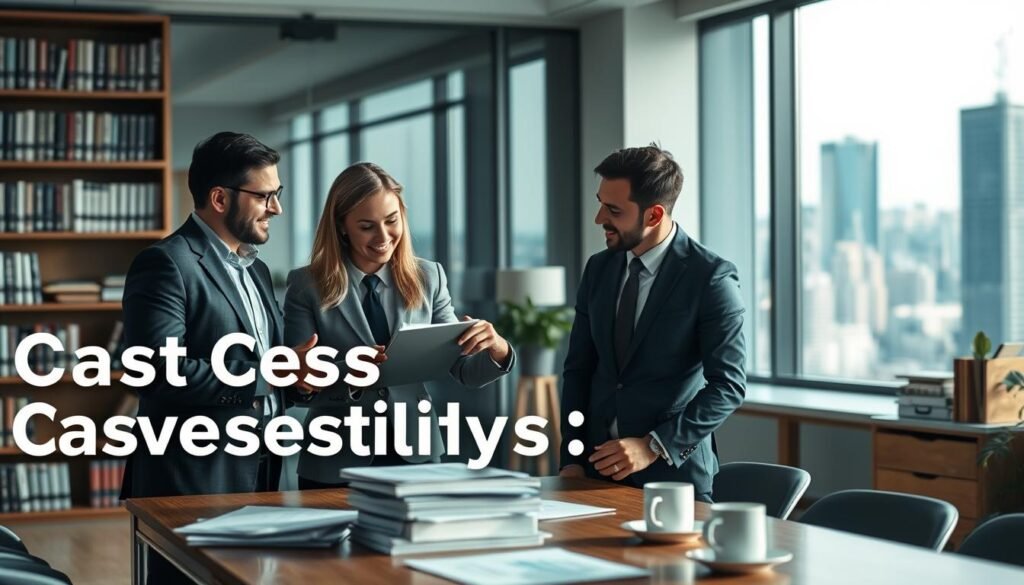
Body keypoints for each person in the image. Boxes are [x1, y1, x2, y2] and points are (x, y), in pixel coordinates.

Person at [120, 132, 315, 585]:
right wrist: (267, 374)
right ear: (220, 198)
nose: (277, 208)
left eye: (277, 194)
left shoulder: (258, 270)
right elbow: (157, 369)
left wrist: (299, 378)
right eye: (265, 195)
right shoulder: (166, 263)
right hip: (192, 478)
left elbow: (265, 371)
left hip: (261, 470)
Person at [284, 162, 515, 488]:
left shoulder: (428, 277)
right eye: (367, 226)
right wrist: (345, 370)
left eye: (391, 221)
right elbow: (298, 381)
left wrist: (498, 349)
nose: (383, 237)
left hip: (415, 452)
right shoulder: (306, 284)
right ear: (341, 226)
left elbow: (464, 370)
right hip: (335, 455)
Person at [559, 144, 746, 502]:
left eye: (613, 210)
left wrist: (654, 445)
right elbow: (578, 371)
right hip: (594, 474)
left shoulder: (711, 278)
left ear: (654, 214)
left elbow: (728, 385)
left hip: (674, 483)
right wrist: (572, 457)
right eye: (600, 203)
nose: (599, 218)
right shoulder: (598, 269)